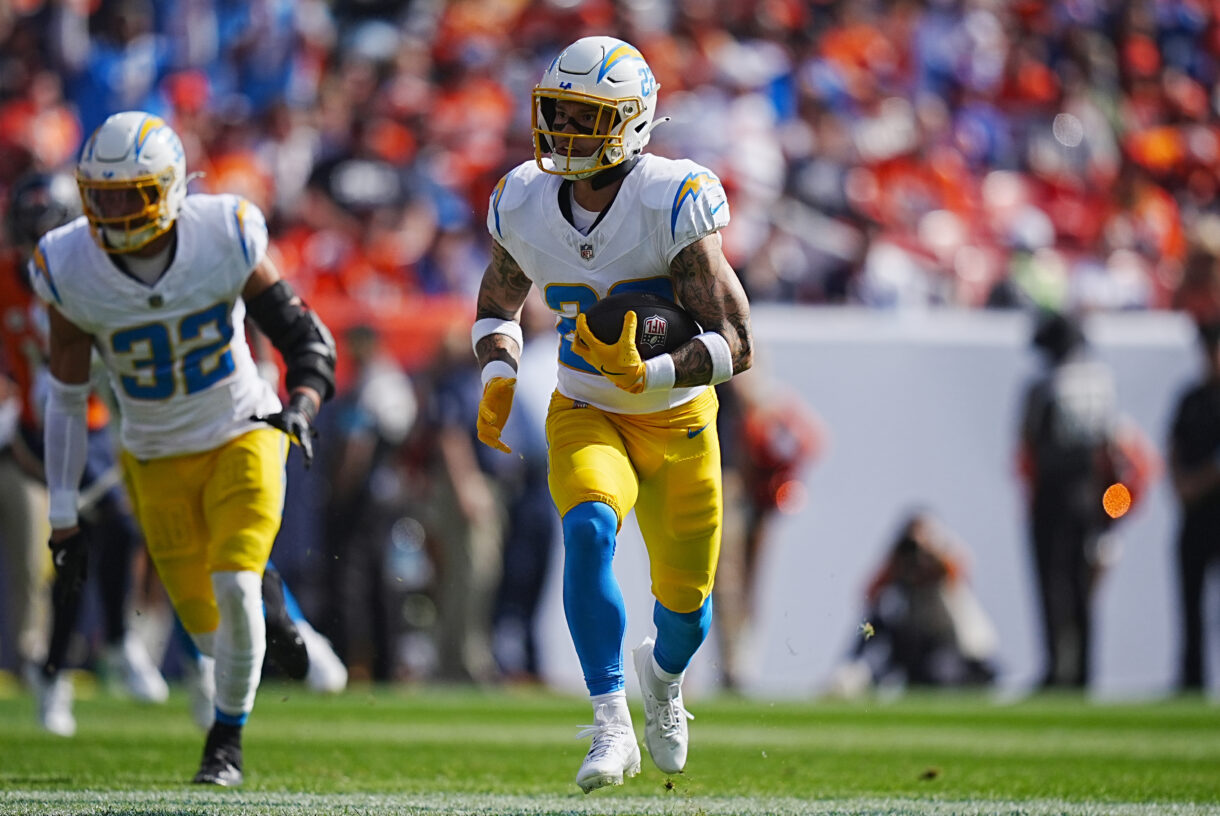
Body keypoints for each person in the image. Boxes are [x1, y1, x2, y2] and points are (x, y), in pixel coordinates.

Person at [472, 37, 753, 791]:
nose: (563, 127)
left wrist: (653, 368)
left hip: (680, 422)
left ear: (630, 122)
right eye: (557, 110)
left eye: (584, 114)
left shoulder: (672, 199)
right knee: (589, 528)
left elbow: (739, 342)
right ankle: (609, 723)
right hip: (585, 408)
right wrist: (498, 366)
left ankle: (661, 681)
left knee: (686, 613)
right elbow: (497, 303)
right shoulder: (525, 199)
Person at [31, 111, 335, 785]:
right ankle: (277, 612)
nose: (113, 212)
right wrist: (61, 506)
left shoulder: (221, 233)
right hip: (153, 454)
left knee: (232, 584)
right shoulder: (69, 265)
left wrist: (305, 400)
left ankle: (224, 746)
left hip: (240, 428)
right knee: (211, 636)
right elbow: (66, 396)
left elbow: (300, 331)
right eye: (100, 197)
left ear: (169, 191)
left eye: (129, 195)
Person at [1, 171, 169, 738]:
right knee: (92, 538)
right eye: (26, 238)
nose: (33, 253)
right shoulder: (7, 281)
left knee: (95, 543)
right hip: (34, 432)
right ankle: (108, 650)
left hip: (93, 428)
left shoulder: (92, 275)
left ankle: (59, 672)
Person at [1017, 311, 1119, 689]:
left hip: (1052, 497)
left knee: (1051, 585)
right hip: (1090, 497)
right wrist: (1112, 514)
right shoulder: (1100, 383)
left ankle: (1056, 667)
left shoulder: (1044, 386)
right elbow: (1114, 455)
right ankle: (1084, 671)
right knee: (1082, 587)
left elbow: (1027, 442)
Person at [825, 510, 999, 697]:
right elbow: (868, 596)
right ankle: (851, 668)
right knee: (869, 622)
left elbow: (961, 581)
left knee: (940, 678)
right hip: (910, 636)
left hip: (943, 637)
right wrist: (896, 565)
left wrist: (936, 555)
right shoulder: (899, 563)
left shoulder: (946, 560)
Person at [1168, 320, 1220, 691]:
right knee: (1190, 603)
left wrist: (1197, 482)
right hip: (1195, 519)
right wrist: (1181, 486)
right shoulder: (1192, 399)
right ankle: (1192, 680)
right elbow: (1172, 447)